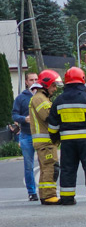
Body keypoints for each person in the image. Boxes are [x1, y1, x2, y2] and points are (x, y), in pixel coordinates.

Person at [47, 67, 86, 205]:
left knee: (68, 169)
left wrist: (54, 138)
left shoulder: (59, 101)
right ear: (82, 81)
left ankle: (67, 198)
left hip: (67, 142)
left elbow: (53, 124)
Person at [28, 70, 63, 205]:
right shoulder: (39, 98)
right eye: (53, 86)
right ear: (46, 84)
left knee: (46, 168)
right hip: (45, 141)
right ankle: (49, 195)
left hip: (44, 141)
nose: (54, 89)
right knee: (51, 167)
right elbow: (50, 117)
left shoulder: (41, 98)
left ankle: (45, 195)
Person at [12, 72, 39, 201]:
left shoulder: (42, 95)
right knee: (28, 166)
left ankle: (47, 190)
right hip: (26, 135)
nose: (34, 81)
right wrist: (24, 119)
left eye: (36, 79)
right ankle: (32, 192)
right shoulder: (21, 98)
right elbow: (14, 115)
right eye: (31, 79)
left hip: (41, 135)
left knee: (46, 164)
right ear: (26, 82)